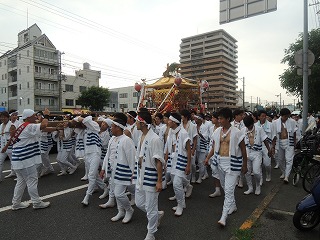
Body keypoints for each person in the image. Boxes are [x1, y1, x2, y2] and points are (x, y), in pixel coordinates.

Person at [205, 108, 248, 227]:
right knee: (224, 186)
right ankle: (232, 205)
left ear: (228, 119)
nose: (219, 120)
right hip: (220, 163)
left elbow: (243, 149)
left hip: (233, 164)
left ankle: (223, 217)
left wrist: (245, 164)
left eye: (221, 118)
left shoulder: (237, 132)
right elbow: (214, 147)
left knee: (229, 190)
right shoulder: (217, 131)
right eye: (218, 118)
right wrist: (208, 158)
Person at [11, 109, 51, 210]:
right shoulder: (29, 126)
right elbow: (43, 126)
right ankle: (37, 203)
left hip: (17, 159)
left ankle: (16, 204)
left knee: (21, 181)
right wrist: (46, 116)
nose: (36, 117)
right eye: (34, 116)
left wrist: (55, 128)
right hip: (25, 160)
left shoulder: (22, 125)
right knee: (32, 180)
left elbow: (42, 128)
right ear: (28, 117)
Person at [134, 111, 165, 240]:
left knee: (151, 207)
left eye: (137, 121)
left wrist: (159, 181)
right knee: (139, 203)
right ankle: (157, 215)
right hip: (141, 174)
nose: (135, 123)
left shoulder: (155, 139)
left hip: (151, 176)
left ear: (142, 123)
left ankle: (151, 233)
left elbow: (158, 161)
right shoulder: (141, 136)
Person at [100, 117, 136, 223]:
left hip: (123, 171)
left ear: (118, 128)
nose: (111, 128)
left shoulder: (126, 140)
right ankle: (120, 211)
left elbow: (132, 158)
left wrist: (133, 172)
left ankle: (129, 210)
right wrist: (103, 168)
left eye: (112, 127)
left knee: (119, 193)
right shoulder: (112, 139)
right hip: (113, 170)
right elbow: (108, 155)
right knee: (117, 193)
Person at [73, 115, 108, 206]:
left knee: (91, 176)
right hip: (87, 155)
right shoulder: (83, 131)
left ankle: (87, 196)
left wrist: (80, 118)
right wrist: (77, 121)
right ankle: (105, 188)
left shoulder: (94, 126)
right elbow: (74, 124)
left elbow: (84, 120)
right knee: (95, 175)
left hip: (95, 153)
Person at [167, 112, 192, 216]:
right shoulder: (172, 132)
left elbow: (189, 150)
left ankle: (181, 205)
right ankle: (188, 186)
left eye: (169, 120)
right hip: (173, 160)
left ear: (174, 122)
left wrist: (188, 165)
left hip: (181, 161)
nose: (167, 122)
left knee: (177, 183)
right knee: (175, 182)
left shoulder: (183, 133)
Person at [242, 115, 271, 195]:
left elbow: (265, 140)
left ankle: (258, 186)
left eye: (250, 126)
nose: (249, 128)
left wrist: (269, 150)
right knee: (247, 172)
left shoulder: (259, 129)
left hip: (257, 153)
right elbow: (240, 143)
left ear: (253, 123)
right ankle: (250, 187)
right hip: (247, 152)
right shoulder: (243, 130)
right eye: (247, 126)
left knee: (256, 172)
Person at [271, 108, 297, 183]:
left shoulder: (292, 121)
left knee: (289, 160)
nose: (286, 118)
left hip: (289, 142)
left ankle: (286, 176)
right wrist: (273, 146)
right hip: (279, 142)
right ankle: (284, 172)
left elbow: (294, 132)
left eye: (288, 116)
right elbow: (274, 135)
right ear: (281, 115)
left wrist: (295, 143)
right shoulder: (275, 123)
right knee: (280, 160)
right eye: (285, 116)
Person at [0, 111, 16, 181]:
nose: (2, 118)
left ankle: (19, 176)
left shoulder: (12, 125)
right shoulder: (1, 125)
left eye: (4, 117)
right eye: (1, 117)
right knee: (0, 161)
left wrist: (6, 146)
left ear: (8, 117)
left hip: (10, 147)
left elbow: (12, 137)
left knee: (14, 162)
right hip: (2, 146)